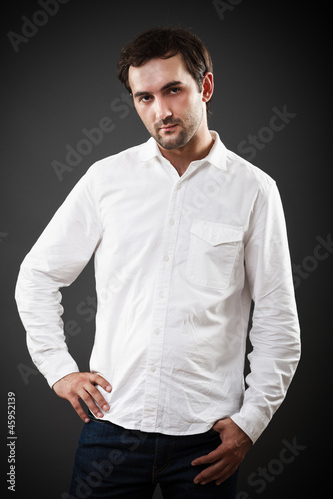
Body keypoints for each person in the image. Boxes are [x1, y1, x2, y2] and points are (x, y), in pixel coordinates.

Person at [15, 27, 301, 498]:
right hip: (112, 428)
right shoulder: (107, 179)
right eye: (143, 97)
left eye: (173, 90)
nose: (161, 111)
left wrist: (251, 423)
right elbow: (38, 276)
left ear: (205, 87)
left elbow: (277, 322)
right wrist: (58, 369)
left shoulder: (254, 190)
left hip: (207, 440)